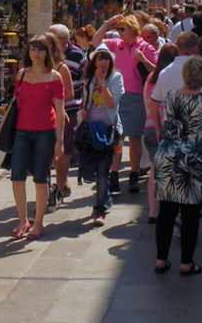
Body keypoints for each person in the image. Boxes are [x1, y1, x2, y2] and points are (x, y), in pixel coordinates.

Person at [153, 57, 202, 276]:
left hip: (167, 156)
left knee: (166, 211)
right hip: (193, 160)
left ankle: (161, 259)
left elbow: (167, 124)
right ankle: (186, 262)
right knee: (190, 214)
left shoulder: (170, 98)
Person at [0, 36, 65, 240]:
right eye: (32, 49)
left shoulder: (55, 77)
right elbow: (14, 104)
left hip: (45, 132)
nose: (36, 53)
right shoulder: (22, 74)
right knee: (17, 176)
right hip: (21, 132)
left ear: (47, 53)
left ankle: (38, 222)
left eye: (40, 50)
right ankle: (22, 220)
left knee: (40, 178)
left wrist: (60, 141)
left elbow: (60, 111)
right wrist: (0, 130)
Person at [92, 15, 157, 193]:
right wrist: (106, 23)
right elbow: (96, 41)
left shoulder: (145, 47)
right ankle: (114, 174)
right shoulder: (116, 45)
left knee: (135, 138)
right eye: (118, 29)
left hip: (136, 97)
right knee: (116, 138)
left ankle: (134, 174)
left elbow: (158, 72)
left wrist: (144, 59)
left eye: (122, 29)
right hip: (117, 96)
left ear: (133, 30)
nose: (119, 33)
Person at [81, 46, 124, 225]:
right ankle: (104, 200)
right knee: (92, 172)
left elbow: (112, 104)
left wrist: (103, 84)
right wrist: (84, 111)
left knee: (102, 172)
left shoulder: (116, 78)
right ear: (94, 61)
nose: (103, 62)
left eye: (106, 58)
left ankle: (100, 209)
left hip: (108, 129)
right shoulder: (89, 79)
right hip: (91, 129)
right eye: (100, 58)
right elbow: (86, 102)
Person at [49, 24, 85, 200]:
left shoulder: (77, 55)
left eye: (51, 37)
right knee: (52, 151)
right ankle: (58, 185)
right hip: (47, 110)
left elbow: (85, 79)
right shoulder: (44, 55)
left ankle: (60, 183)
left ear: (62, 40)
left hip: (69, 109)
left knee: (63, 151)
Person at [144, 44, 179, 223]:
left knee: (154, 169)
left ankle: (152, 211)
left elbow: (147, 105)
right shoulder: (173, 78)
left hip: (149, 126)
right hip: (167, 127)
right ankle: (168, 206)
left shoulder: (151, 78)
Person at [151, 32, 202, 102]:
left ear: (177, 47)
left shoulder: (163, 73)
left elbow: (154, 105)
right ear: (196, 48)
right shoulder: (200, 69)